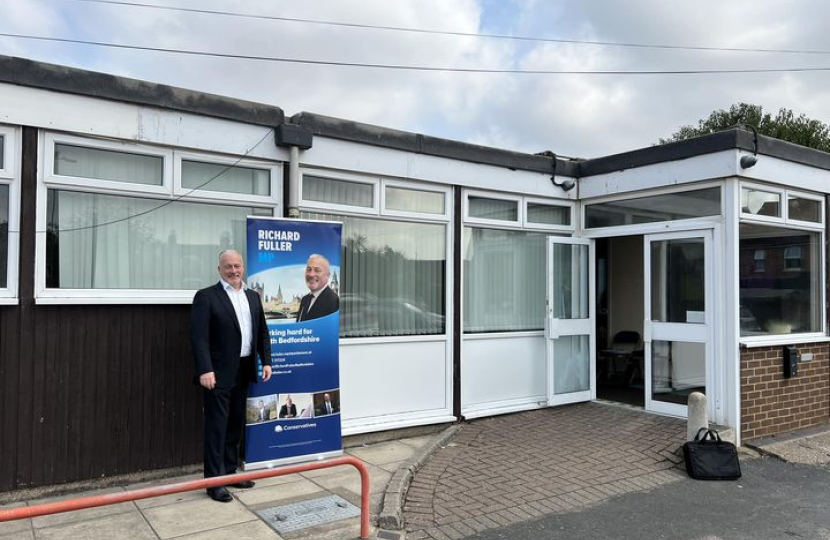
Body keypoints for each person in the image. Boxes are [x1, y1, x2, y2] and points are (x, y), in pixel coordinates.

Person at [191, 249, 272, 503]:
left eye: (237, 266)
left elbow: (262, 332)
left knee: (235, 424)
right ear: (219, 269)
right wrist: (205, 368)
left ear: (243, 267)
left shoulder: (252, 296)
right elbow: (198, 337)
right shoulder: (206, 297)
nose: (234, 270)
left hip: (244, 368)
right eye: (228, 266)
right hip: (217, 373)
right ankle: (214, 483)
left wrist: (266, 361)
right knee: (217, 427)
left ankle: (230, 472)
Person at [296, 254, 339, 322]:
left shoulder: (334, 301)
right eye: (308, 270)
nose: (311, 274)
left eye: (317, 270)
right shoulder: (304, 299)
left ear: (327, 275)